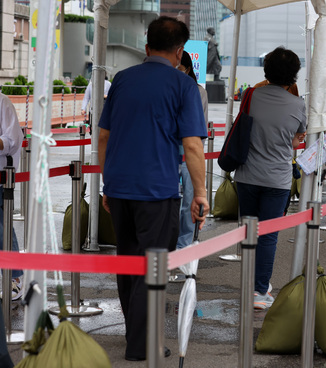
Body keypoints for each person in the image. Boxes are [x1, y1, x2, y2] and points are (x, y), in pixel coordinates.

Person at [98, 16, 208, 361]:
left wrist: (107, 181)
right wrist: (201, 194)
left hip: (118, 188)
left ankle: (136, 334)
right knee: (153, 265)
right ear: (180, 52)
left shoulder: (122, 79)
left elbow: (103, 136)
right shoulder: (184, 86)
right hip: (157, 190)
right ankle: (141, 345)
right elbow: (192, 145)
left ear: (146, 47)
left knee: (128, 261)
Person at [234, 47, 306, 310]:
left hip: (247, 174)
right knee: (268, 236)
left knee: (249, 230)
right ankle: (259, 290)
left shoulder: (250, 95)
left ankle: (250, 283)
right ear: (294, 76)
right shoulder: (298, 104)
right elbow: (298, 137)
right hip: (277, 179)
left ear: (266, 71)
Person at [169, 51, 209, 282]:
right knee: (171, 198)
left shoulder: (198, 90)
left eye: (180, 66)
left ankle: (183, 246)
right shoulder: (170, 87)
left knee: (190, 200)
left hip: (188, 150)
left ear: (186, 67)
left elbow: (199, 127)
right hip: (170, 149)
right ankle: (171, 247)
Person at [0, 93, 24, 301]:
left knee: (3, 228)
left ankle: (15, 278)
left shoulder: (2, 102)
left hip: (1, 177)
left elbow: (13, 140)